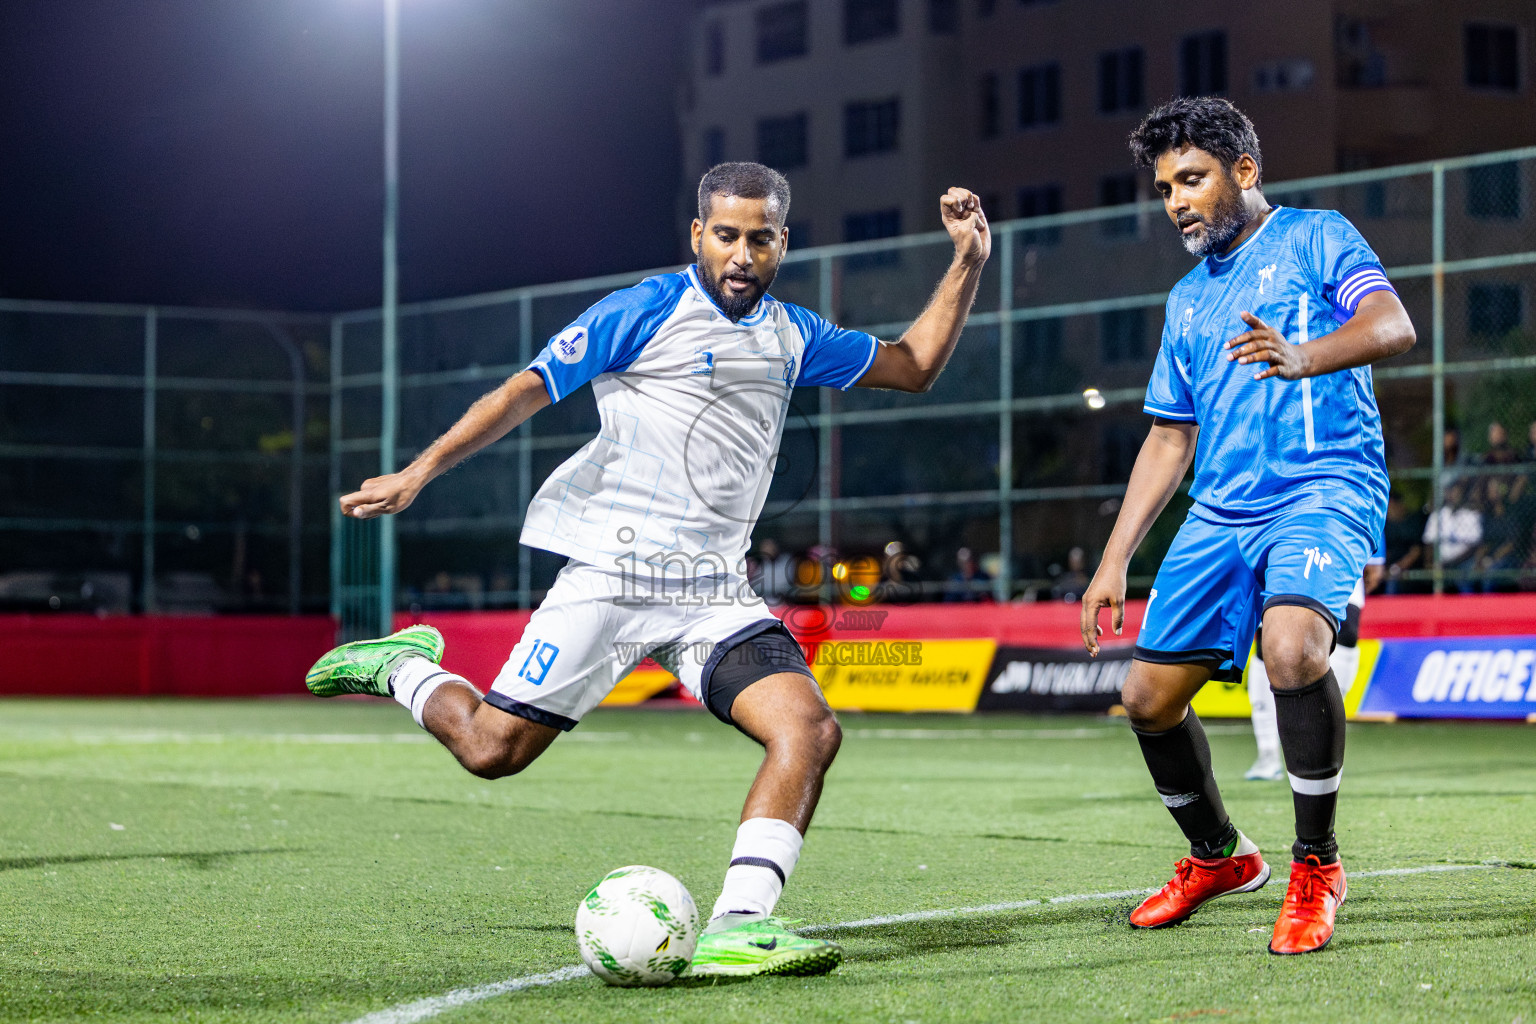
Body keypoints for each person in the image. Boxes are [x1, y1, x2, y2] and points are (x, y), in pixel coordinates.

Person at [303, 162, 992, 977]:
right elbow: (528, 390)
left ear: (781, 244)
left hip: (713, 593)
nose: (742, 253)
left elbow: (912, 365)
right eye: (727, 235)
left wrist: (968, 263)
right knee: (493, 750)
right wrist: (421, 471)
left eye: (760, 239)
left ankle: (741, 924)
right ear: (698, 235)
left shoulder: (794, 334)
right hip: (610, 577)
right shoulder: (646, 308)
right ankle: (405, 669)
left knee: (808, 729)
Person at [1079, 98, 1415, 955]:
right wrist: (1114, 558)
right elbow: (1168, 435)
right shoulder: (1187, 300)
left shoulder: (1317, 238)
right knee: (1146, 701)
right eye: (1164, 188)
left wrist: (1306, 353)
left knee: (1294, 648)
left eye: (1191, 179)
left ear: (1245, 172)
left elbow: (1392, 324)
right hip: (1222, 511)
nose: (1176, 201)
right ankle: (1219, 857)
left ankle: (1317, 866)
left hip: (1323, 484)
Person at [1246, 537, 1385, 781]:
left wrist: (1376, 553)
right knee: (1267, 639)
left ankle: (1323, 747)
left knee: (1346, 631)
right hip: (1281, 539)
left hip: (1337, 535)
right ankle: (1267, 755)